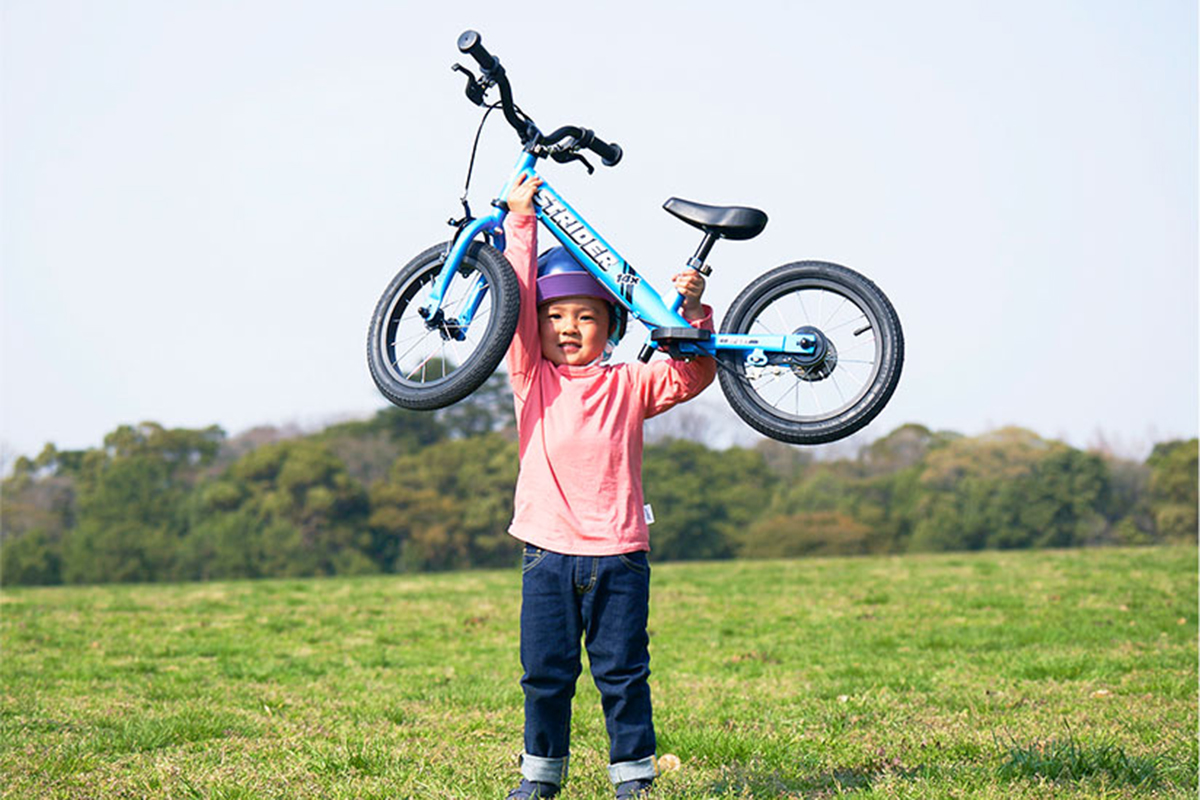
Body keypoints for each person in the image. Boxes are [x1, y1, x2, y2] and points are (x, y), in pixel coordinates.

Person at [502, 172, 716, 800]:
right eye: (556, 315)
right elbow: (512, 303)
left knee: (623, 674)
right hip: (546, 555)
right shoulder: (530, 378)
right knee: (545, 674)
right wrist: (521, 223)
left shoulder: (630, 381)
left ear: (611, 325)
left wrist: (695, 308)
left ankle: (634, 782)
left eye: (587, 316)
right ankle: (539, 778)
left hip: (620, 555)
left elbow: (693, 371)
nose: (569, 327)